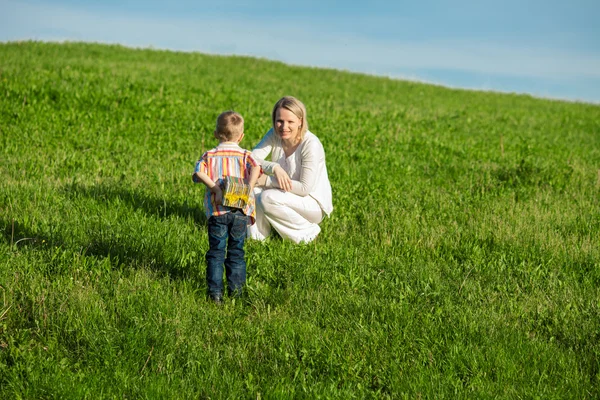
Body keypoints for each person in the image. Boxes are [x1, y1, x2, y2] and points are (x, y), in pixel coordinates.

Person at [192, 111, 261, 304]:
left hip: (217, 211)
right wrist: (249, 186)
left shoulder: (210, 155)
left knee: (216, 252)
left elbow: (198, 172)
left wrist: (215, 189)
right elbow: (257, 166)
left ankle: (215, 294)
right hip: (239, 211)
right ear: (241, 136)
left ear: (216, 134)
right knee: (236, 252)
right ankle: (236, 293)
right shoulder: (246, 155)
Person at [248, 96, 333, 244]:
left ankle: (307, 234)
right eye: (279, 121)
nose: (283, 127)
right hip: (286, 194)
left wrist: (268, 180)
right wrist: (274, 167)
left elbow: (304, 188)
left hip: (312, 204)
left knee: (267, 197)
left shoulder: (310, 144)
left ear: (300, 121)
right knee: (253, 190)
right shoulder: (275, 134)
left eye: (290, 122)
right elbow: (252, 158)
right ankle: (257, 240)